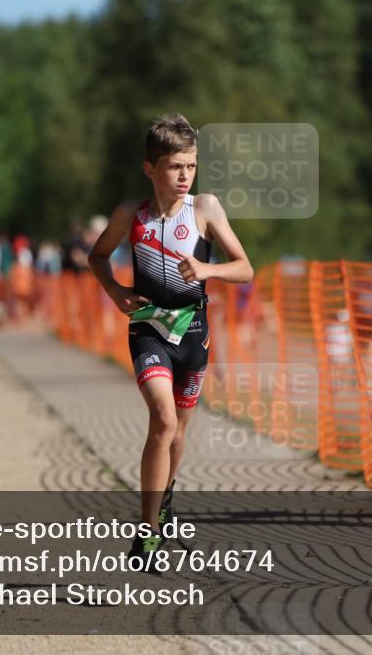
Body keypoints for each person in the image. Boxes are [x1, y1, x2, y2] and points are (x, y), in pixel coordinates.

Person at [89, 114, 253, 561]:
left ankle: (164, 497)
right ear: (150, 168)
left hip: (193, 332)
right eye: (176, 166)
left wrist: (208, 269)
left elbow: (245, 267)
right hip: (148, 327)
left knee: (178, 432)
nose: (185, 176)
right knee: (162, 419)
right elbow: (98, 255)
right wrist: (116, 291)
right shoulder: (131, 214)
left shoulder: (206, 209)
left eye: (192, 166)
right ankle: (147, 532)